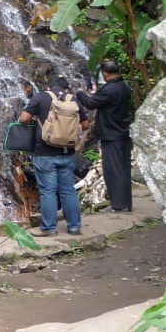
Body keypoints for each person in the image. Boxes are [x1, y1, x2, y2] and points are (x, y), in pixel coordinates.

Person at [19, 76, 89, 236]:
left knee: (48, 191)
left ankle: (49, 228)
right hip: (67, 152)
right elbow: (85, 125)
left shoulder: (40, 97)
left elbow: (24, 119)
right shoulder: (73, 100)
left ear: (49, 87)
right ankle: (74, 227)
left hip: (45, 153)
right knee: (68, 190)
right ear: (67, 89)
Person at [76, 59, 133, 212]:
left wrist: (80, 94)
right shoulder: (123, 86)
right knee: (123, 169)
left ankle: (118, 206)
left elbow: (90, 104)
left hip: (111, 134)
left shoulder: (109, 89)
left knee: (113, 171)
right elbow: (105, 100)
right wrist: (96, 93)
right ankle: (126, 204)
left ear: (105, 74)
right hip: (123, 132)